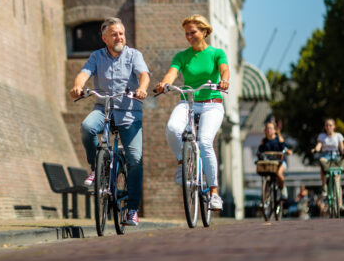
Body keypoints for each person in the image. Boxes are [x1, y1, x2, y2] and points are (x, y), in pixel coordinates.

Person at [70, 17, 150, 226]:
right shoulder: (96, 56)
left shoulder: (134, 55)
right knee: (87, 127)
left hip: (129, 112)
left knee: (134, 159)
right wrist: (78, 86)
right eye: (114, 34)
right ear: (105, 37)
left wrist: (142, 88)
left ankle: (132, 209)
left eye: (121, 33)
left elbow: (143, 74)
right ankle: (97, 167)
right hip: (103, 108)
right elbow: (83, 74)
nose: (119, 37)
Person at [154, 14, 229, 211]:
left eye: (193, 32)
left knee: (204, 141)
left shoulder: (216, 53)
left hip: (212, 103)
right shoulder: (182, 56)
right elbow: (173, 72)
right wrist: (165, 83)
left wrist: (224, 80)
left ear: (204, 32)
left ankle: (214, 193)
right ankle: (182, 162)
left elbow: (224, 69)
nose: (189, 36)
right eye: (186, 33)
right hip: (188, 102)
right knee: (172, 128)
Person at [311, 118, 344, 208]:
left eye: (330, 125)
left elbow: (342, 147)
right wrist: (315, 149)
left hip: (336, 156)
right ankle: (324, 186)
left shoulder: (338, 136)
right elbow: (319, 146)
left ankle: (339, 203)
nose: (328, 127)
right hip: (326, 156)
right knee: (321, 162)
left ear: (334, 127)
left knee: (337, 179)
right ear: (325, 127)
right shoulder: (322, 136)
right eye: (327, 125)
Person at [256, 121, 292, 199]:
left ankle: (283, 190)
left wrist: (287, 151)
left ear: (275, 130)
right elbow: (260, 150)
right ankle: (266, 197)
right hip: (269, 163)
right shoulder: (264, 141)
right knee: (266, 176)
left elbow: (284, 148)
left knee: (279, 174)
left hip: (280, 162)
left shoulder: (279, 139)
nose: (269, 130)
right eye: (267, 128)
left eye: (270, 128)